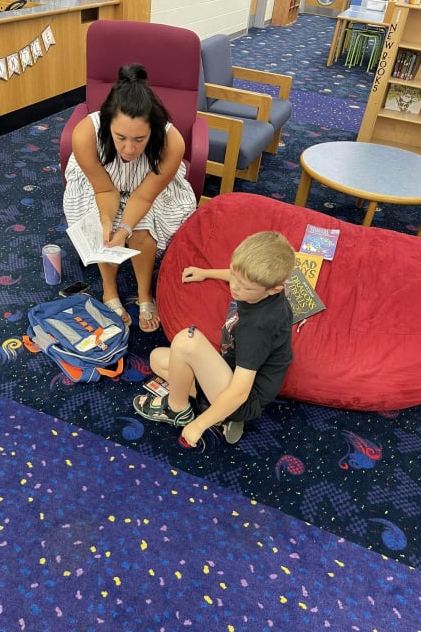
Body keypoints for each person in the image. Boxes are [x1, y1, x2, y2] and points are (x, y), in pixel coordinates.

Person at [63, 63, 197, 333]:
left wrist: (125, 229)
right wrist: (106, 221)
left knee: (142, 229)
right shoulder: (85, 133)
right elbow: (104, 190)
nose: (128, 148)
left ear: (154, 130)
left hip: (147, 187)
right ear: (107, 123)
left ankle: (145, 294)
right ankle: (109, 291)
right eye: (120, 137)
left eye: (140, 139)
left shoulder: (172, 142)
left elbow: (144, 196)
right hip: (102, 185)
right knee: (103, 228)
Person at [133, 231, 296, 447]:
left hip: (244, 399)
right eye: (234, 277)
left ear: (275, 289)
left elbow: (239, 392)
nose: (235, 288)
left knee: (186, 341)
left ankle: (177, 409)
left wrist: (199, 425)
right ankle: (222, 415)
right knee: (157, 359)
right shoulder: (261, 288)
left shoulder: (257, 328)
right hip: (228, 369)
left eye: (245, 287)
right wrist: (206, 272)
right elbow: (242, 276)